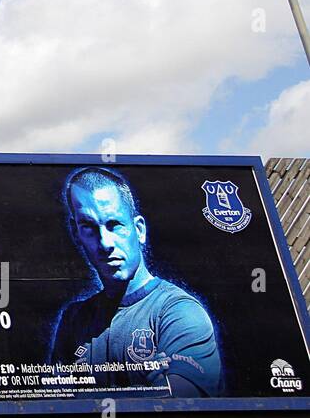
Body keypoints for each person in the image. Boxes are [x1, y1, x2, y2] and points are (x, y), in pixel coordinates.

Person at [49, 166, 222, 397]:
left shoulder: (178, 310)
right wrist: (151, 389)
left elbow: (183, 403)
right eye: (88, 227)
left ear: (139, 230)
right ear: (75, 233)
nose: (105, 243)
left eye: (114, 224)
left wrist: (82, 395)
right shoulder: (74, 319)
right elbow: (54, 402)